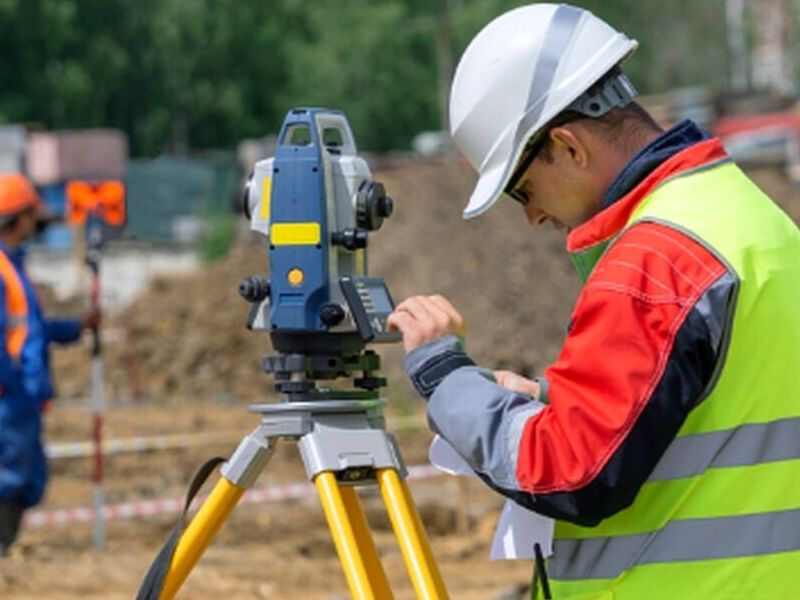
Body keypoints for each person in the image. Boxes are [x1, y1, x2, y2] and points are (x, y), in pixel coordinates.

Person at [386, 4, 800, 599]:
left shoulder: (653, 259)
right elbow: (727, 410)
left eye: (520, 189)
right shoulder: (748, 216)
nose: (530, 216)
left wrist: (446, 376)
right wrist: (554, 403)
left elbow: (568, 470)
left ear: (568, 146)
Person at [0, 173, 98, 556]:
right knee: (10, 478)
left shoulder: (14, 266)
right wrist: (13, 384)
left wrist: (75, 326)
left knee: (26, 479)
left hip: (20, 396)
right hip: (10, 397)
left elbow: (32, 330)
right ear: (18, 217)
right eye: (31, 214)